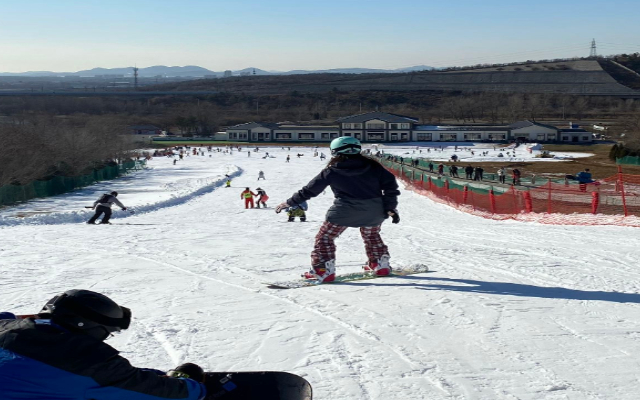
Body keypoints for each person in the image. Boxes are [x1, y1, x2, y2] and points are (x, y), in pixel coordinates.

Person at [0, 289, 206, 400]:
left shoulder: (6, 326)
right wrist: (195, 387)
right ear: (89, 328)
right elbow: (166, 393)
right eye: (108, 332)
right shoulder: (90, 360)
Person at [275, 137, 400, 283]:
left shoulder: (332, 170)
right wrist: (390, 208)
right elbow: (390, 188)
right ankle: (380, 264)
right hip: (375, 210)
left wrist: (289, 202)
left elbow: (310, 190)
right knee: (372, 235)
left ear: (335, 151)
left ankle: (323, 270)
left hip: (344, 211)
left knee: (325, 238)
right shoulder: (374, 166)